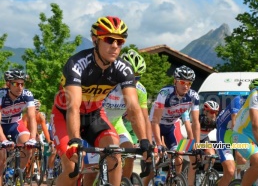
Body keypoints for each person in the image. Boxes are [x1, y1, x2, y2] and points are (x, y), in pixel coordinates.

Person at [51, 16, 150, 186]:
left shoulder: (124, 69)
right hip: (65, 116)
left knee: (115, 154)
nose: (115, 46)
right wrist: (75, 141)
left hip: (94, 116)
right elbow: (73, 107)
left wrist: (144, 142)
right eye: (109, 40)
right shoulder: (77, 64)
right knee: (74, 168)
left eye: (120, 42)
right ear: (95, 39)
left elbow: (133, 108)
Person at [102, 49, 152, 180]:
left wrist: (147, 143)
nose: (133, 80)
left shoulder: (140, 91)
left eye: (137, 77)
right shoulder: (108, 84)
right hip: (97, 123)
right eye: (130, 75)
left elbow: (144, 118)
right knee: (92, 169)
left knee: (130, 155)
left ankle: (122, 182)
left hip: (117, 124)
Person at [150, 65, 200, 186]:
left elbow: (195, 122)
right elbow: (155, 121)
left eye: (189, 83)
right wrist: (159, 143)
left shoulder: (193, 96)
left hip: (170, 127)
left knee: (179, 157)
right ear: (175, 82)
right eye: (182, 82)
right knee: (156, 157)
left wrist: (197, 145)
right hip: (155, 126)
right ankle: (146, 182)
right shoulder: (165, 93)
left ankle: (174, 181)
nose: (186, 86)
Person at [216, 77, 258, 186]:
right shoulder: (238, 100)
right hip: (225, 132)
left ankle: (240, 179)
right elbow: (235, 125)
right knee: (230, 171)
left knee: (257, 163)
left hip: (242, 133)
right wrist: (239, 149)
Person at [0, 69, 38, 185]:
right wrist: (4, 140)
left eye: (22, 84)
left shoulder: (27, 95)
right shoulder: (1, 95)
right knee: (1, 162)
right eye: (16, 84)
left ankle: (16, 173)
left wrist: (32, 138)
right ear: (8, 84)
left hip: (15, 124)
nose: (20, 87)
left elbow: (32, 117)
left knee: (29, 148)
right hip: (1, 125)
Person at [199, 101, 219, 171]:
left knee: (212, 156)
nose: (214, 115)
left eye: (215, 112)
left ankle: (204, 175)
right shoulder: (200, 119)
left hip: (204, 139)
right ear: (205, 112)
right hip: (194, 139)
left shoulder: (215, 121)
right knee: (196, 158)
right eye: (211, 112)